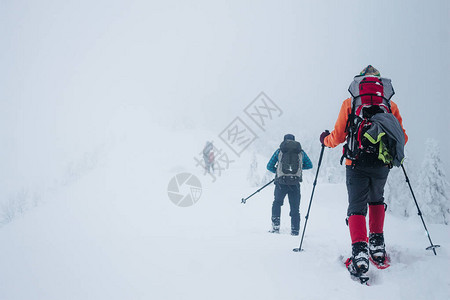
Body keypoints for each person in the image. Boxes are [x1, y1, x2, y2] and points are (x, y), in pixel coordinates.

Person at [319, 65, 408, 276]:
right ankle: (377, 246)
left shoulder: (349, 103)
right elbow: (402, 137)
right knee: (377, 200)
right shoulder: (390, 105)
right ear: (380, 84)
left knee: (356, 206)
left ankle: (359, 252)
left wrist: (325, 140)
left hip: (355, 163)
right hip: (381, 164)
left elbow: (339, 136)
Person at [267, 134, 313, 235]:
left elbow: (269, 166)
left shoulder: (279, 151)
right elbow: (309, 165)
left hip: (281, 183)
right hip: (295, 184)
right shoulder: (301, 152)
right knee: (295, 208)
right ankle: (295, 230)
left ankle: (275, 227)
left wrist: (278, 172)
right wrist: (299, 168)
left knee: (277, 203)